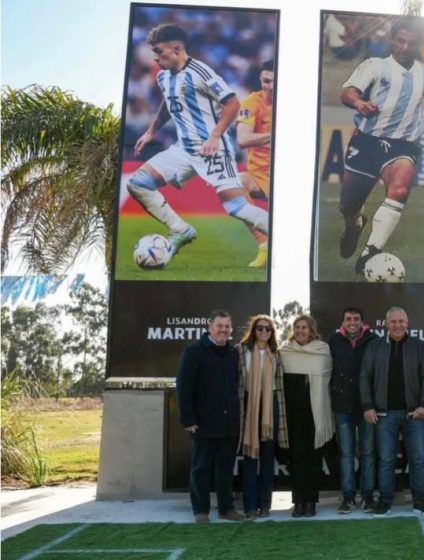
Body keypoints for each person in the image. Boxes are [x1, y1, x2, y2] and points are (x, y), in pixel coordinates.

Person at [130, 24, 269, 259]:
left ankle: (283, 235)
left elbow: (232, 103)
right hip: (184, 150)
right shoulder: (164, 76)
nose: (155, 57)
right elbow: (169, 103)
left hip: (213, 150)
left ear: (176, 49)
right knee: (138, 184)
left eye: (159, 51)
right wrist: (151, 131)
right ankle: (181, 230)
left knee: (236, 208)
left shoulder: (200, 72)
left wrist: (215, 136)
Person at [337, 18, 424, 275]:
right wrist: (359, 104)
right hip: (367, 142)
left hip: (403, 145)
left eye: (410, 43)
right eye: (400, 41)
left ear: (419, 44)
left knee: (400, 189)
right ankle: (354, 224)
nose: (404, 47)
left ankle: (372, 250)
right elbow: (348, 91)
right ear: (392, 40)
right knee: (348, 205)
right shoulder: (375, 65)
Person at [359, 306, 424, 515]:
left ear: (407, 324)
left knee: (418, 458)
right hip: (384, 414)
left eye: (401, 321)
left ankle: (419, 499)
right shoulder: (374, 347)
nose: (397, 325)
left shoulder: (419, 346)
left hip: (414, 413)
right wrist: (368, 406)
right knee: (386, 459)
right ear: (386, 324)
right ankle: (385, 501)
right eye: (393, 322)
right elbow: (364, 376)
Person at [175, 309, 244, 523]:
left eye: (227, 326)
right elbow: (183, 386)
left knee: (225, 470)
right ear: (209, 328)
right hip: (203, 424)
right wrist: (188, 418)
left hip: (229, 424)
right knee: (201, 468)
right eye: (219, 326)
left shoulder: (233, 353)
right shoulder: (193, 351)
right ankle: (201, 510)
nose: (223, 330)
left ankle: (226, 508)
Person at [279, 315, 334, 518]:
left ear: (312, 330)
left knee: (313, 459)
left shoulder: (322, 350)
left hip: (315, 414)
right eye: (297, 327)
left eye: (305, 327)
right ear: (293, 329)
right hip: (292, 414)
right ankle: (298, 502)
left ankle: (311, 502)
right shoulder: (285, 351)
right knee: (296, 459)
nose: (301, 330)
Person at [327, 307, 378, 514]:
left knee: (367, 453)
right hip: (342, 406)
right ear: (343, 321)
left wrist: (371, 403)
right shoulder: (333, 340)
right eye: (348, 319)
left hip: (367, 407)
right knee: (346, 453)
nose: (352, 322)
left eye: (356, 319)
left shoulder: (373, 340)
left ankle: (367, 497)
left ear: (362, 322)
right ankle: (347, 498)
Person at [236, 314, 287, 519]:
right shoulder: (241, 351)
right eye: (260, 328)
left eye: (268, 329)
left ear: (272, 332)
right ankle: (249, 507)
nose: (264, 332)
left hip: (270, 406)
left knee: (267, 459)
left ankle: (265, 505)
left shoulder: (276, 354)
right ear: (253, 330)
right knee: (250, 458)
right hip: (248, 405)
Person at [236, 59, 275, 268]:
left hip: (288, 176)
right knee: (234, 184)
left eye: (274, 82)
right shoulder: (252, 101)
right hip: (260, 174)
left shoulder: (295, 102)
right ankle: (263, 243)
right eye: (266, 81)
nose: (269, 87)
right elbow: (243, 140)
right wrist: (274, 135)